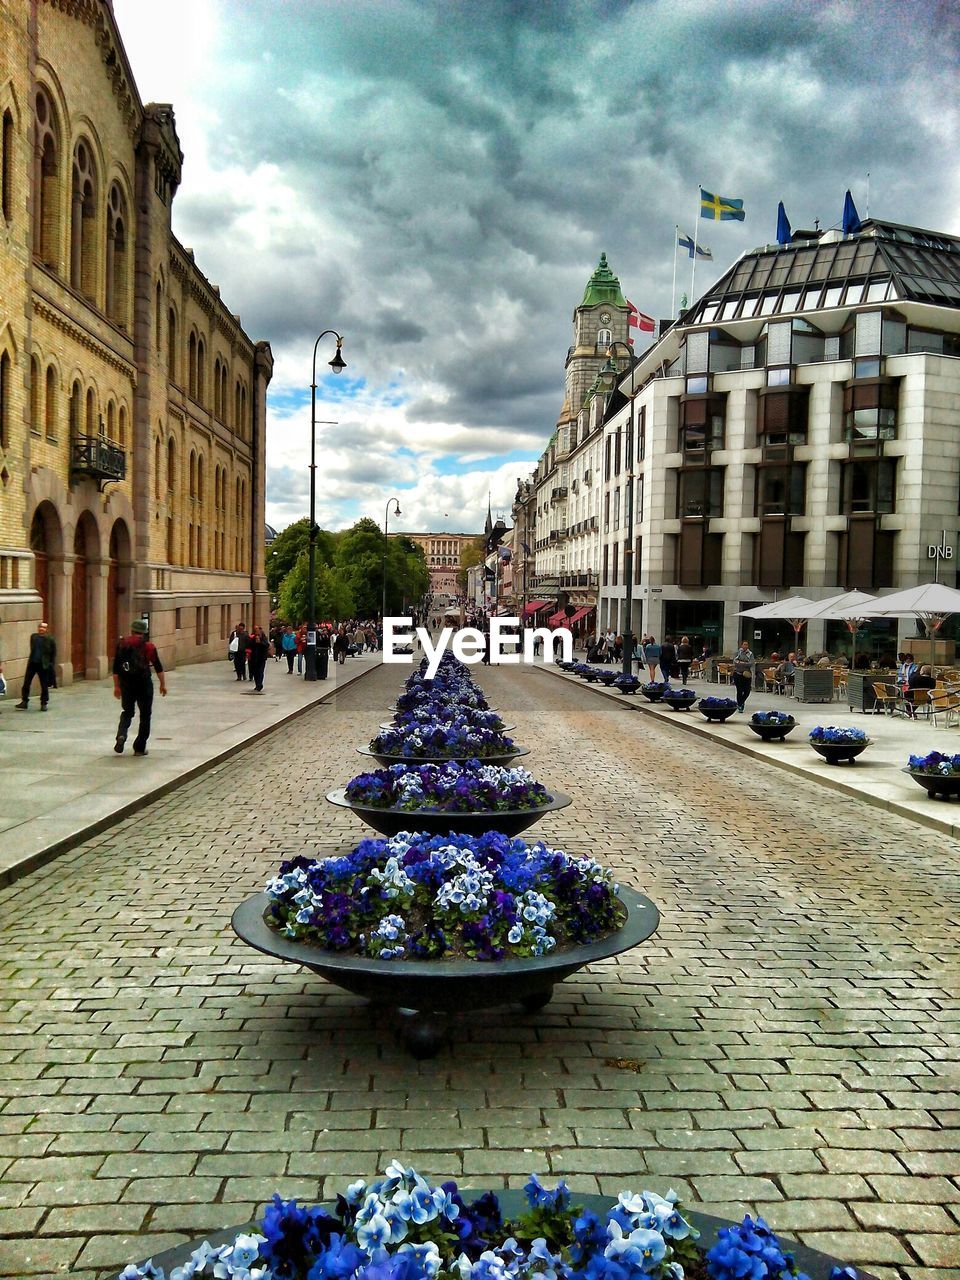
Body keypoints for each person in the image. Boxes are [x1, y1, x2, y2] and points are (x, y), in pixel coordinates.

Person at [113, 619, 166, 755]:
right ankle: (139, 748)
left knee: (127, 712)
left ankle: (121, 734)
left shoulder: (122, 644)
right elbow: (158, 666)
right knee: (145, 715)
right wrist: (162, 684)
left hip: (127, 684)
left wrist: (117, 687)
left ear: (132, 630)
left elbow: (116, 669)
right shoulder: (149, 647)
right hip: (144, 684)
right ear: (144, 632)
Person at [16, 621, 57, 712]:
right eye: (40, 627)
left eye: (44, 627)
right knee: (26, 683)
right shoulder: (34, 637)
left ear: (47, 629)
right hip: (32, 663)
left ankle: (44, 703)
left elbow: (53, 653)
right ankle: (24, 701)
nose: (42, 629)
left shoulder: (50, 639)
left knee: (44, 685)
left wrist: (51, 665)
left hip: (43, 665)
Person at [731, 640, 755, 713]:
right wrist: (744, 663)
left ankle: (741, 701)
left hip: (747, 674)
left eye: (747, 644)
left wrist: (741, 663)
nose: (745, 646)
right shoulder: (737, 653)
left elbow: (751, 663)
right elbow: (735, 662)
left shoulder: (750, 654)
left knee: (747, 691)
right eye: (744, 644)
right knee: (740, 690)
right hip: (738, 674)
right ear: (741, 645)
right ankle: (740, 704)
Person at [248, 624, 271, 691]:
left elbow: (266, 645)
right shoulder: (252, 638)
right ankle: (257, 684)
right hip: (254, 658)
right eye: (255, 630)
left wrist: (260, 642)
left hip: (261, 658)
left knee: (260, 671)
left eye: (257, 630)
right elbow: (249, 646)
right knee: (255, 672)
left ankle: (259, 684)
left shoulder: (263, 637)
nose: (257, 631)